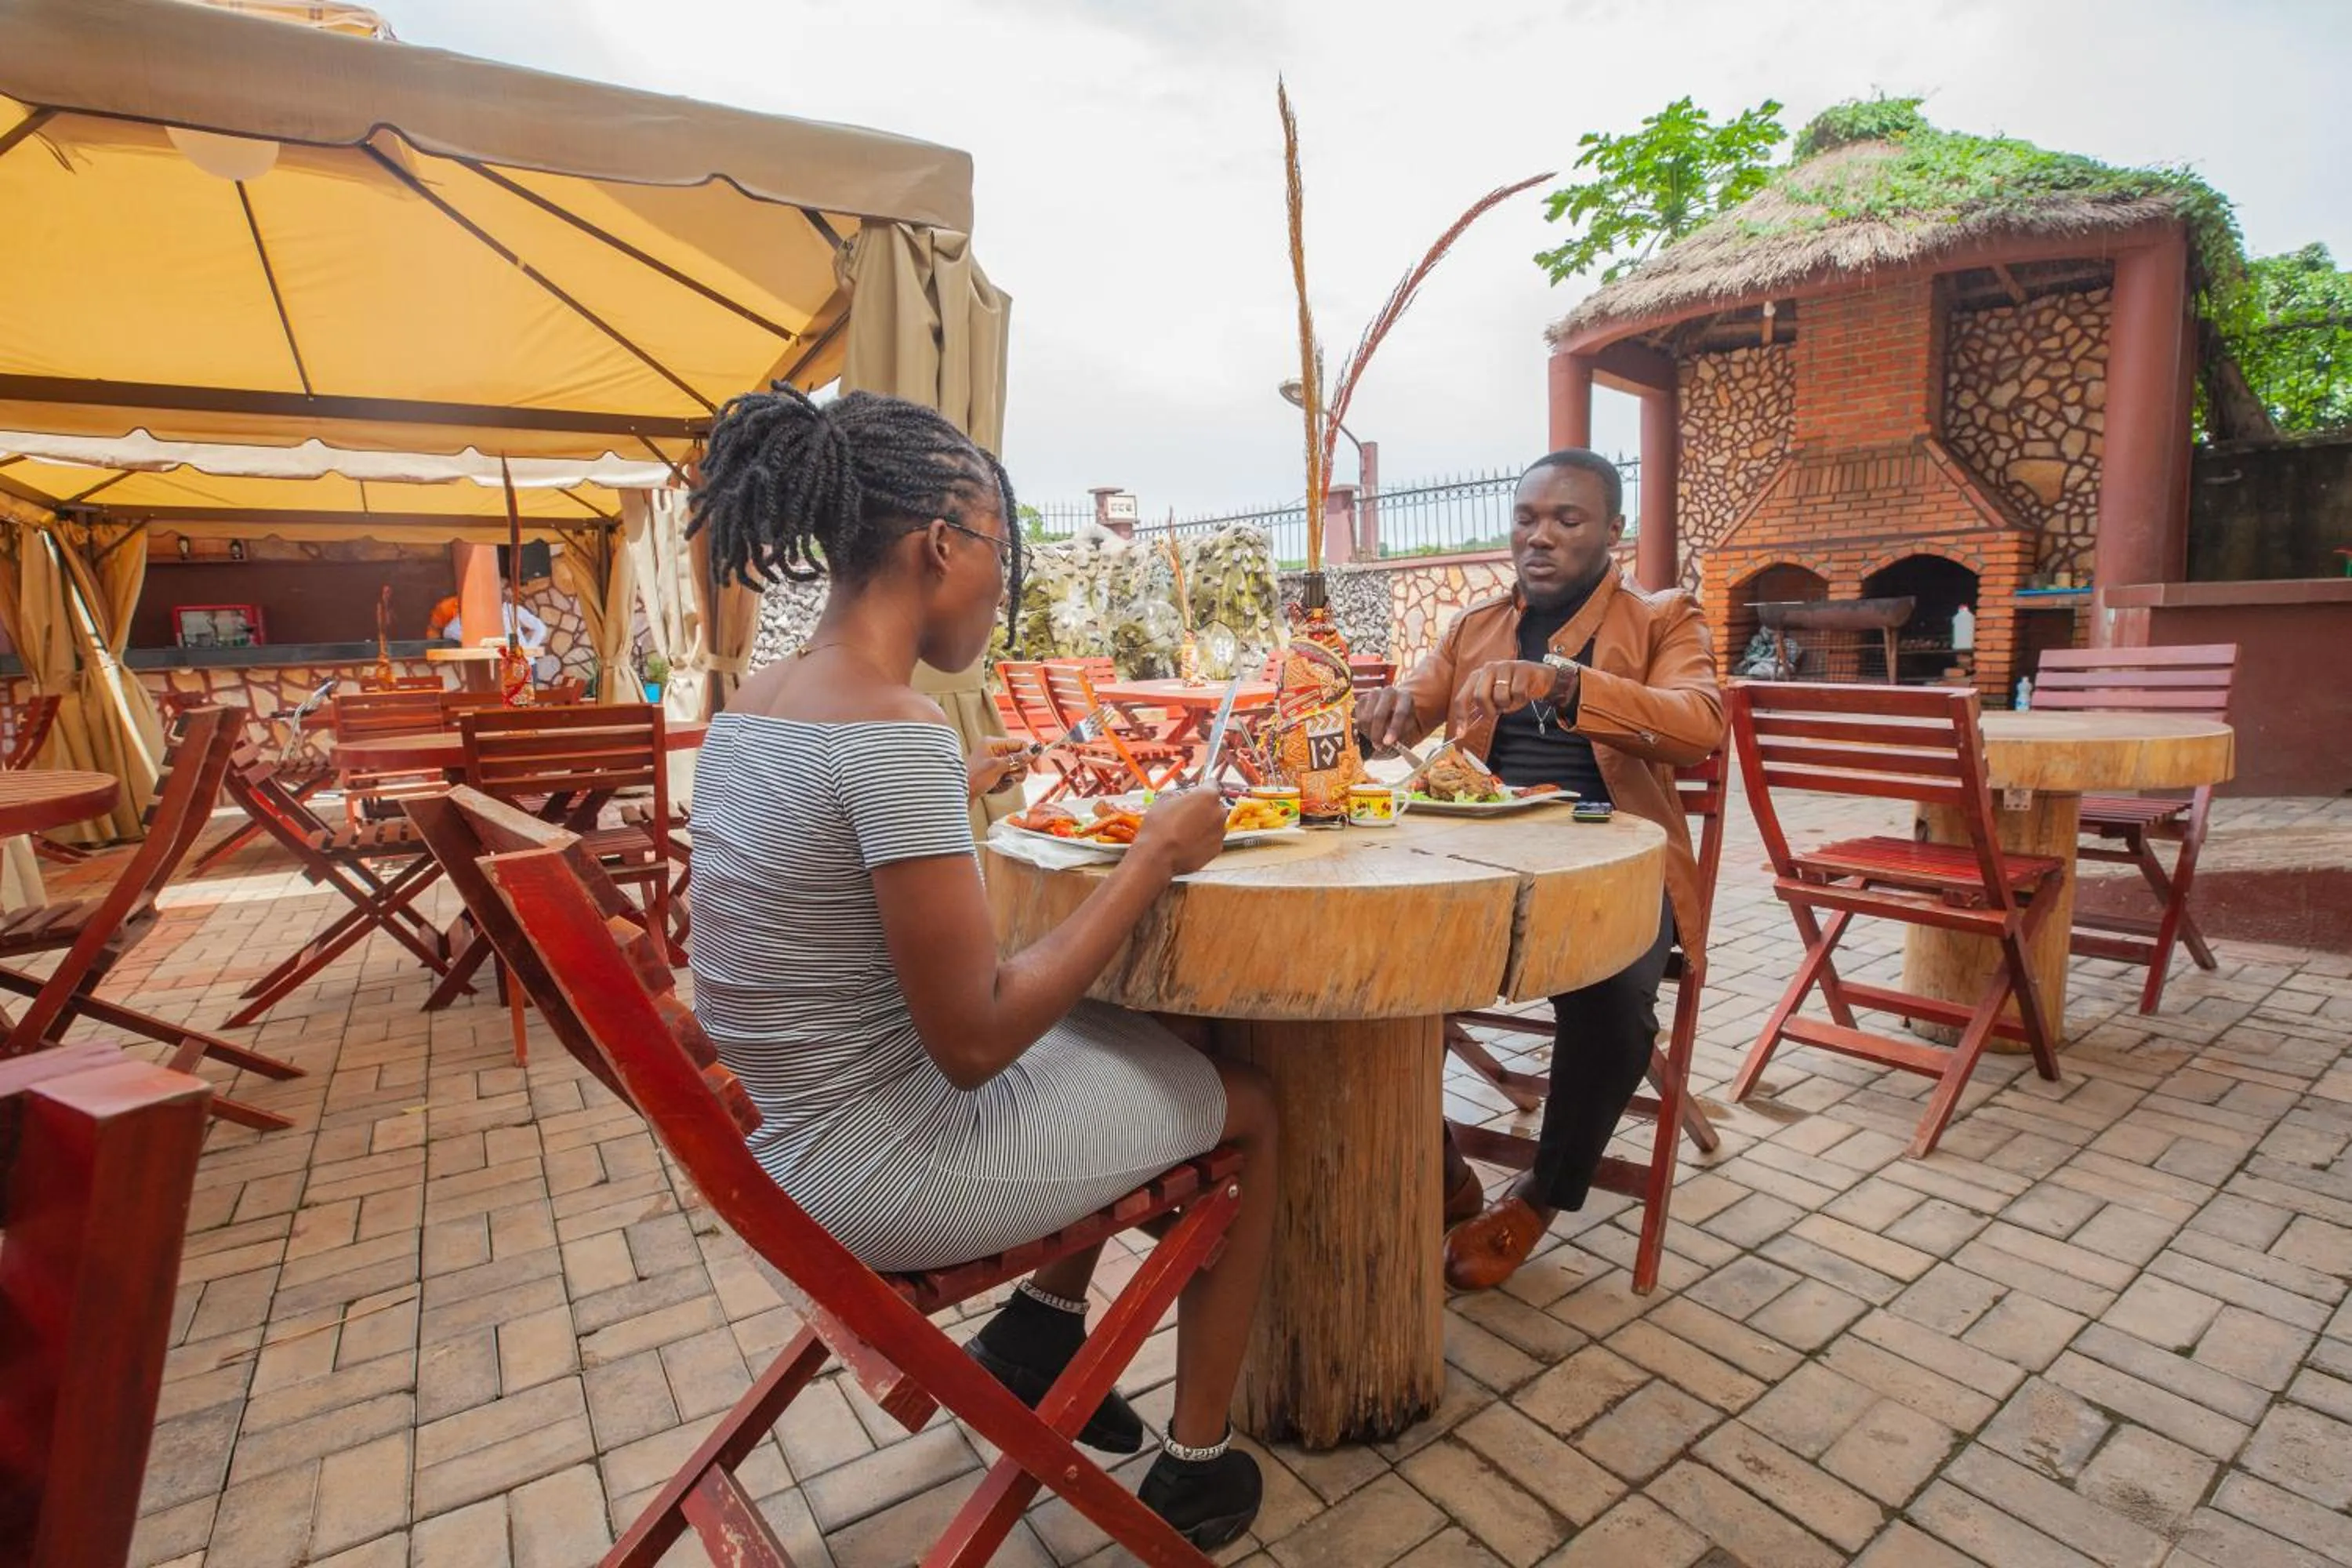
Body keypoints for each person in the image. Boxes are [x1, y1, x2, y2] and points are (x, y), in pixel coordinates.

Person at [683, 385, 1278, 1548]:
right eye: (999, 554)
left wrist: (951, 798)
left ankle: (1035, 1340)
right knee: (1251, 1103)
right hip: (888, 1172)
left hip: (791, 1152)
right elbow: (976, 1042)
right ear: (939, 543)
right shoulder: (895, 726)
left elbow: (822, 856)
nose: (1004, 587)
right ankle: (1198, 1466)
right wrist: (1155, 849)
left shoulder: (751, 710)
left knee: (1160, 1042)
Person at [1355, 448, 1723, 1292]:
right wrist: (1395, 709)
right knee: (1363, 969)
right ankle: (1444, 1167)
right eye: (1527, 518)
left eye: (1568, 519)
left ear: (1612, 532)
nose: (1541, 536)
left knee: (1616, 1002)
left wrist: (1566, 684)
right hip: (1476, 868)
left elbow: (1699, 725)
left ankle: (1542, 1192)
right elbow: (1419, 695)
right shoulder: (1475, 623)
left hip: (1616, 872)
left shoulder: (1666, 618)